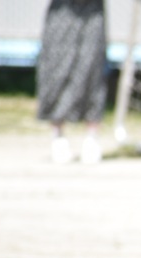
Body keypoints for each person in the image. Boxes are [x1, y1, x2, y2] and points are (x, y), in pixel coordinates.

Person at [36, 0, 107, 164]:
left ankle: (92, 137)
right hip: (62, 9)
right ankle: (58, 135)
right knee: (57, 69)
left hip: (93, 10)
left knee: (92, 68)